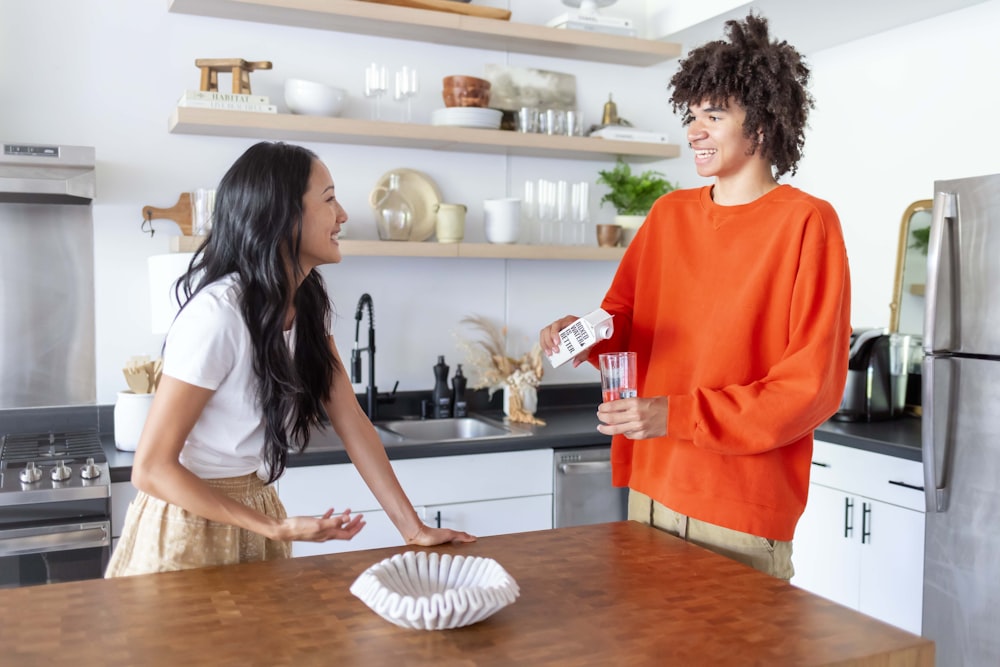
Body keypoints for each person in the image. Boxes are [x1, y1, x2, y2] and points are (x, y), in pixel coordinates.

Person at [540, 13, 851, 580]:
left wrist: (676, 415)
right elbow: (626, 321)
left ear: (761, 123)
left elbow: (809, 390)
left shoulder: (807, 223)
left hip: (739, 507)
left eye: (714, 115)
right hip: (651, 490)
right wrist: (581, 335)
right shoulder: (668, 215)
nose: (694, 131)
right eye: (691, 115)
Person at [107, 141, 475, 577]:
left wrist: (412, 529)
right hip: (186, 524)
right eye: (329, 199)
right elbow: (150, 469)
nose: (342, 215)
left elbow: (352, 421)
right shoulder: (219, 315)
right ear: (282, 219)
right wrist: (274, 527)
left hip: (258, 507)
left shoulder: (307, 305)